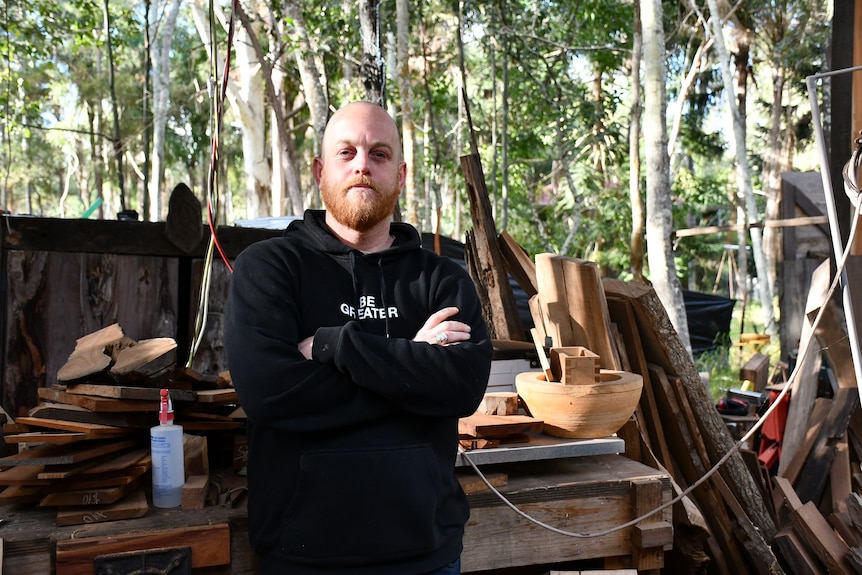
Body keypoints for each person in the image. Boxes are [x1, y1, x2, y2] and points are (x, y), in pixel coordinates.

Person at [225, 101, 494, 575]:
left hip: (426, 555)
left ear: (401, 173)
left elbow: (463, 387)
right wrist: (413, 364)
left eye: (379, 154)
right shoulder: (270, 268)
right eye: (346, 152)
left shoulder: (441, 280)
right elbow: (271, 393)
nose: (362, 165)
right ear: (319, 170)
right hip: (302, 557)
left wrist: (334, 346)